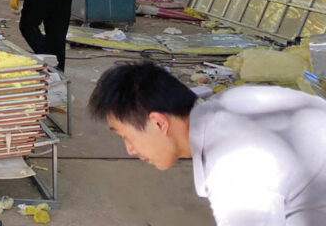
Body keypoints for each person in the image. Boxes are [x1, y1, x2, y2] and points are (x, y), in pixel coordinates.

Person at [89, 61, 326, 225]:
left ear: (159, 123)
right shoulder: (232, 101)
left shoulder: (233, 167)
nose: (130, 150)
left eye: (125, 136)